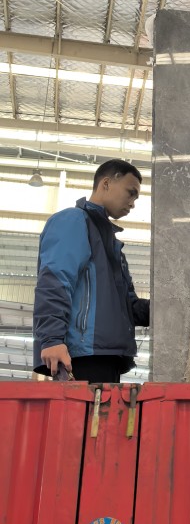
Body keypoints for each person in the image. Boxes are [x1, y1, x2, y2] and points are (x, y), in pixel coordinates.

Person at [33, 159, 150, 384]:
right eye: (131, 192)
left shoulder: (111, 245)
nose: (133, 203)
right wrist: (52, 339)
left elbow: (129, 307)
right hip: (79, 357)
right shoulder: (74, 220)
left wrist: (164, 308)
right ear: (106, 183)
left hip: (108, 357)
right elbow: (55, 281)